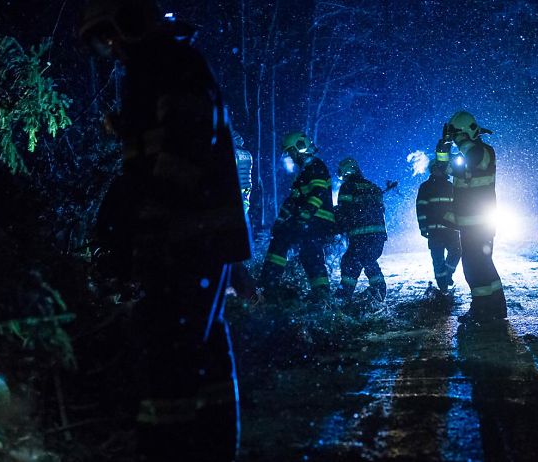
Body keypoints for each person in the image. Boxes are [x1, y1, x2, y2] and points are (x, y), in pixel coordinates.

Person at [78, 1, 251, 460]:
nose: (110, 50)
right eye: (102, 43)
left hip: (186, 237)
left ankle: (167, 447)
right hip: (195, 235)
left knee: (169, 349)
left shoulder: (168, 64)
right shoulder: (164, 64)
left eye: (110, 36)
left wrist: (136, 220)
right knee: (202, 346)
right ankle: (211, 447)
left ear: (129, 23)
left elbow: (181, 156)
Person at [440, 111, 506, 322]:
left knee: (476, 268)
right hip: (470, 224)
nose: (457, 138)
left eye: (458, 133)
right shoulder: (467, 156)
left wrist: (458, 139)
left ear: (466, 131)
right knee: (481, 266)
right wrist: (443, 147)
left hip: (479, 224)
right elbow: (445, 169)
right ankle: (494, 309)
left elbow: (473, 158)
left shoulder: (484, 152)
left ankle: (483, 310)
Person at [258, 132, 335, 303]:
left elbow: (318, 192)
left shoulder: (316, 166)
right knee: (306, 251)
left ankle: (268, 286)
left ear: (300, 148)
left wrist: (305, 214)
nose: (290, 157)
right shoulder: (303, 173)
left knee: (301, 248)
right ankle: (320, 294)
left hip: (318, 219)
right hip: (309, 220)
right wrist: (279, 222)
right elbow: (291, 202)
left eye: (291, 152)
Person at [334, 157, 388, 303]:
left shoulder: (347, 187)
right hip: (378, 236)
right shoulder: (373, 187)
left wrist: (334, 228)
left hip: (360, 235)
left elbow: (343, 212)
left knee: (350, 261)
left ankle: (343, 296)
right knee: (368, 259)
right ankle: (378, 290)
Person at [416, 151, 461, 295]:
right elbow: (420, 208)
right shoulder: (425, 187)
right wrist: (423, 227)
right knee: (438, 259)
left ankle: (447, 275)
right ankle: (443, 288)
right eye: (437, 167)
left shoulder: (451, 186)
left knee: (457, 251)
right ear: (433, 169)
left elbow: (458, 207)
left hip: (451, 229)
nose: (439, 170)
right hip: (435, 231)